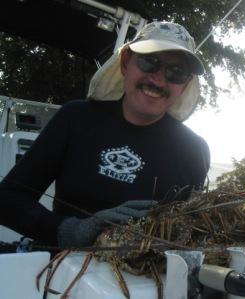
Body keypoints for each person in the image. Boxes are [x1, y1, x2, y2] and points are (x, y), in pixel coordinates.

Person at [0, 21, 210, 250]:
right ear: (125, 62)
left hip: (142, 282)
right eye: (149, 61)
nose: (158, 79)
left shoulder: (193, 150)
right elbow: (8, 200)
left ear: (186, 84)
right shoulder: (75, 118)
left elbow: (193, 234)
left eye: (176, 72)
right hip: (61, 271)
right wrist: (70, 231)